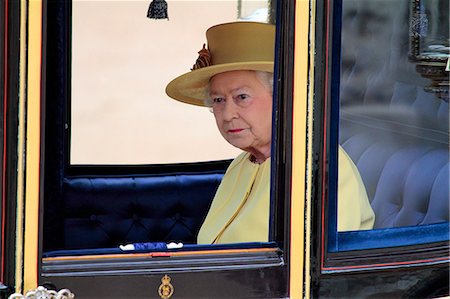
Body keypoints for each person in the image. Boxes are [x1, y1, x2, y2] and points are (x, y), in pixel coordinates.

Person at [166, 21, 374, 244]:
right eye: (218, 100)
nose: (227, 114)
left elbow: (315, 273)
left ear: (281, 97)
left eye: (241, 97)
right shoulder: (242, 164)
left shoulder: (319, 166)